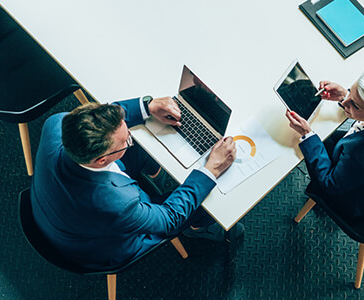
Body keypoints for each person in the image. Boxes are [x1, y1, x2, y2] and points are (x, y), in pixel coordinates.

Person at [30, 96, 242, 270]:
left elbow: (104, 118)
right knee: (204, 198)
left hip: (57, 211)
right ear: (101, 160)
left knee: (138, 139)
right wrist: (211, 169)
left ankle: (153, 172)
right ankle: (197, 228)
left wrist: (147, 107)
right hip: (101, 247)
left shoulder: (58, 123)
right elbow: (169, 219)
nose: (128, 136)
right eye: (125, 140)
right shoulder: (118, 203)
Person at [285, 66, 364, 224]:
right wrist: (343, 95)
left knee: (312, 145)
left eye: (355, 105)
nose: (345, 102)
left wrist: (307, 134)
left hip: (359, 198)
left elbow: (329, 184)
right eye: (352, 92)